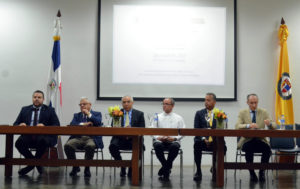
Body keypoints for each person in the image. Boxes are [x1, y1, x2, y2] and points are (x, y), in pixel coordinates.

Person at [14, 90, 60, 176]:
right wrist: (20, 125)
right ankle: (36, 163)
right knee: (18, 143)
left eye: (39, 97)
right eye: (35, 97)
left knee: (42, 141)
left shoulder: (50, 110)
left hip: (43, 137)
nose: (36, 99)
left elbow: (56, 125)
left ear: (43, 99)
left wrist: (45, 127)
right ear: (32, 98)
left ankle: (31, 165)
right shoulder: (25, 109)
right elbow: (15, 124)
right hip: (28, 136)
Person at [235, 94, 276, 182]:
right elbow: (237, 126)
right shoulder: (242, 113)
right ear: (247, 103)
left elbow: (274, 126)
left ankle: (262, 172)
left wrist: (269, 124)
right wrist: (249, 125)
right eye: (251, 103)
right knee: (248, 149)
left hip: (260, 139)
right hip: (247, 140)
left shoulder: (263, 112)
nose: (254, 105)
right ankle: (252, 173)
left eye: (256, 103)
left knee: (267, 149)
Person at [64, 97, 103, 177]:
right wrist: (82, 124)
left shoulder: (97, 114)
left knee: (90, 146)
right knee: (68, 145)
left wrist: (89, 114)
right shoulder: (76, 115)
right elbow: (72, 125)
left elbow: (98, 123)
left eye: (84, 104)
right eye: (80, 104)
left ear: (90, 105)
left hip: (91, 138)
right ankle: (75, 166)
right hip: (77, 137)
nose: (82, 106)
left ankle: (87, 168)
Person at [193, 93, 227, 181]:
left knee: (223, 146)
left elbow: (222, 129)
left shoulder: (220, 114)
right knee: (196, 145)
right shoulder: (199, 113)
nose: (206, 102)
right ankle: (198, 171)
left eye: (208, 100)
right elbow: (196, 129)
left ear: (214, 102)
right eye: (205, 100)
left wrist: (212, 139)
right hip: (202, 141)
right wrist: (205, 138)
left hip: (215, 141)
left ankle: (215, 168)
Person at [109, 95, 145, 177]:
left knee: (139, 147)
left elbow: (142, 129)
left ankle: (132, 167)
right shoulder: (117, 113)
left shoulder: (139, 114)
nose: (126, 104)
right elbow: (113, 127)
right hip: (120, 138)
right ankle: (122, 165)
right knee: (112, 146)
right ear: (122, 104)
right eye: (124, 102)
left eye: (128, 102)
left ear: (132, 103)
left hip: (133, 139)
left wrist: (132, 129)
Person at [152, 98, 185, 180]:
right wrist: (158, 137)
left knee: (175, 147)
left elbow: (183, 132)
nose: (164, 106)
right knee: (157, 146)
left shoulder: (178, 117)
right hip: (160, 140)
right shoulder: (157, 116)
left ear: (172, 106)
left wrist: (174, 139)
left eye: (167, 104)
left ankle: (165, 168)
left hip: (173, 141)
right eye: (163, 104)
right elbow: (152, 130)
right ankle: (167, 167)